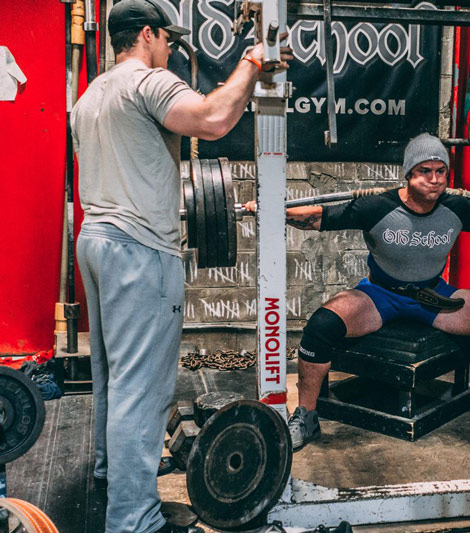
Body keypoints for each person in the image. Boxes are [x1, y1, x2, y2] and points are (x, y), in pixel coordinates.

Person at [71, 1, 291, 531]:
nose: (169, 48)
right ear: (146, 35)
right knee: (141, 391)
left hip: (96, 240)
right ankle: (134, 519)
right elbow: (213, 119)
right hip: (138, 248)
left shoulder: (90, 96)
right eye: (166, 39)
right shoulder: (147, 81)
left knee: (113, 379)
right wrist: (254, 63)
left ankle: (111, 479)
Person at [285, 133, 470, 450]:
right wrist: (265, 210)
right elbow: (318, 218)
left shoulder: (454, 207)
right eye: (425, 172)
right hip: (380, 296)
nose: (434, 180)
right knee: (321, 327)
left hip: (434, 297)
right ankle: (306, 415)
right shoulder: (377, 206)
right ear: (409, 174)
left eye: (440, 171)